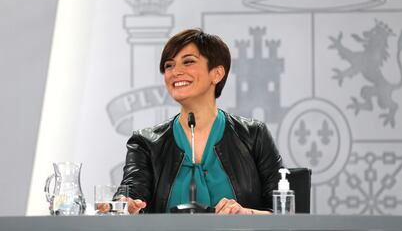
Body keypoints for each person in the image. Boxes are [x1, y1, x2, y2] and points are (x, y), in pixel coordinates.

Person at [116, 28, 283, 214]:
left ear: (217, 73)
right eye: (169, 65)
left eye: (188, 62)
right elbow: (132, 193)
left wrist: (245, 214)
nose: (175, 72)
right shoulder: (146, 143)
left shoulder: (253, 135)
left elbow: (285, 212)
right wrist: (125, 204)